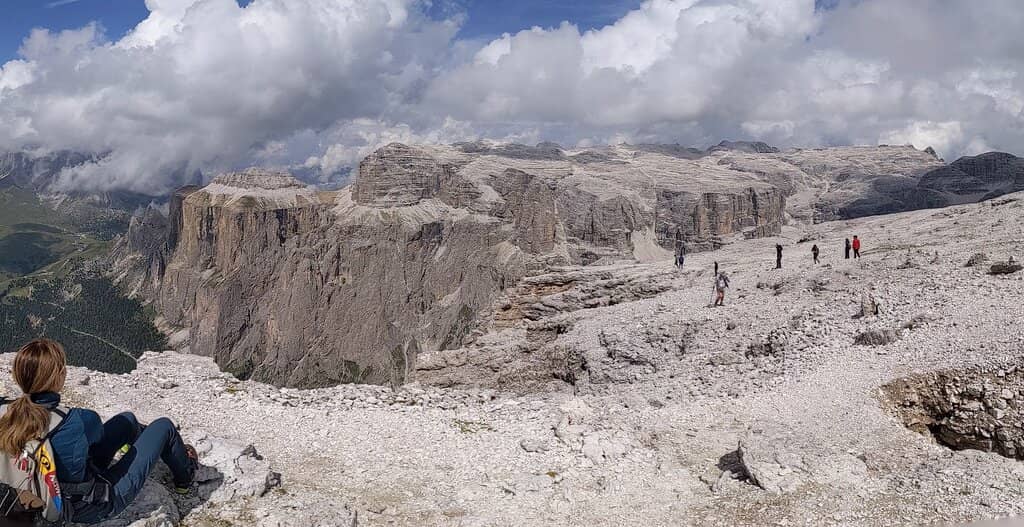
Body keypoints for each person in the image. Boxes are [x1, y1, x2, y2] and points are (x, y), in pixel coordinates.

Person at [0, 339, 198, 524]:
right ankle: (185, 477)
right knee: (164, 426)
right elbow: (97, 437)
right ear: (59, 376)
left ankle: (145, 443)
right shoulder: (76, 420)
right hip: (88, 504)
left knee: (127, 420)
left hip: (38, 489)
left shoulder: (4, 410)